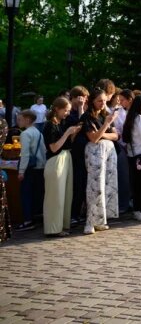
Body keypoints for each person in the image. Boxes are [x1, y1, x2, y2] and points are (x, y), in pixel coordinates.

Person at [79, 88, 119, 234]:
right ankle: (90, 222)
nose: (102, 103)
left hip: (108, 152)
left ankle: (101, 220)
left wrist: (103, 134)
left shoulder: (106, 114)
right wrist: (105, 127)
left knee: (108, 186)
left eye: (104, 100)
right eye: (99, 101)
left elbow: (116, 136)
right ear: (92, 102)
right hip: (94, 153)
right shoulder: (87, 117)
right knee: (95, 187)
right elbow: (93, 138)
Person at [42, 98, 82, 236]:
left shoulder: (60, 123)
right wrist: (67, 133)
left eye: (68, 110)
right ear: (57, 109)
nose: (67, 113)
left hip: (65, 158)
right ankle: (53, 228)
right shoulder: (49, 126)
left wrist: (73, 133)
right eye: (65, 110)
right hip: (55, 161)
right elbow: (54, 148)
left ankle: (61, 226)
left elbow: (65, 144)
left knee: (66, 195)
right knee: (55, 196)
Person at [16, 110, 46, 231]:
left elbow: (25, 154)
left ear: (27, 120)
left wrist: (21, 171)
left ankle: (28, 220)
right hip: (39, 167)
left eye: (20, 119)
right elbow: (43, 151)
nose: (18, 121)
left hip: (29, 168)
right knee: (37, 194)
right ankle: (35, 218)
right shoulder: (38, 132)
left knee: (26, 195)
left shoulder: (25, 134)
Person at [66, 85, 89, 224]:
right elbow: (81, 126)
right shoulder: (69, 114)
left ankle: (82, 211)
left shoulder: (87, 111)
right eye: (79, 97)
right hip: (75, 153)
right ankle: (74, 213)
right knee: (77, 184)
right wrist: (80, 108)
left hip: (86, 152)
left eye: (84, 98)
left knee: (85, 183)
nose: (82, 100)